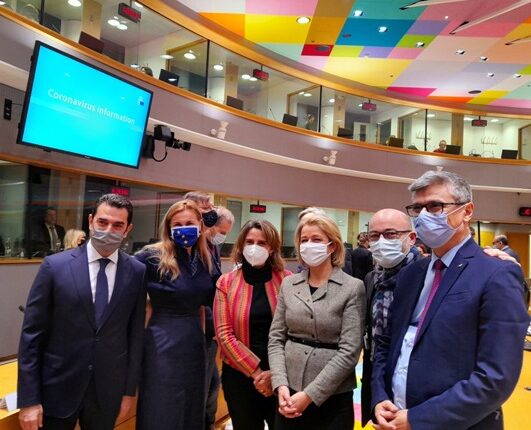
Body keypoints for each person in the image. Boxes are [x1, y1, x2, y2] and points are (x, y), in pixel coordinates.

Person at [371, 170, 530, 430]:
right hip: (393, 418)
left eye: (435, 206)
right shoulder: (411, 274)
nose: (424, 215)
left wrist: (417, 419)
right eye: (417, 208)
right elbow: (387, 344)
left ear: (467, 211)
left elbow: (495, 377)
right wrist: (379, 397)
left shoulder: (496, 273)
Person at [18, 194, 146, 430]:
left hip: (108, 391)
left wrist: (129, 392)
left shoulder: (137, 271)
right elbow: (32, 335)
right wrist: (28, 399)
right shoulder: (54, 266)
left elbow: (135, 334)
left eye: (117, 225)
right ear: (90, 221)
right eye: (102, 222)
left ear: (128, 229)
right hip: (57, 387)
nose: (108, 230)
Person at [268, 213, 365, 430]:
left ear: (332, 246)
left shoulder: (352, 287)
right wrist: (280, 384)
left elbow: (350, 351)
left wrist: (310, 395)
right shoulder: (289, 284)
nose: (309, 245)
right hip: (288, 391)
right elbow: (276, 339)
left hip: (332, 396)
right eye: (304, 240)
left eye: (317, 239)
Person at [135, 199, 214, 430]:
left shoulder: (203, 258)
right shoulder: (151, 256)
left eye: (189, 223)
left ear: (200, 225)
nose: (183, 228)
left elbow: (203, 305)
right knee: (163, 407)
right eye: (177, 224)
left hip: (194, 342)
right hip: (163, 342)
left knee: (192, 405)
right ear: (169, 228)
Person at [214, 220, 292, 429]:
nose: (254, 247)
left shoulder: (288, 280)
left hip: (281, 375)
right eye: (249, 242)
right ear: (241, 245)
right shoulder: (226, 282)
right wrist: (258, 374)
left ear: (272, 247)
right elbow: (224, 334)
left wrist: (273, 374)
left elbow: (294, 329)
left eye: (262, 243)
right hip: (239, 376)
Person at [360, 209, 421, 427]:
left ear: (411, 238)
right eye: (374, 236)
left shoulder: (428, 276)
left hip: (416, 386)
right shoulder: (372, 279)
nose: (381, 242)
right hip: (378, 381)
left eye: (391, 234)